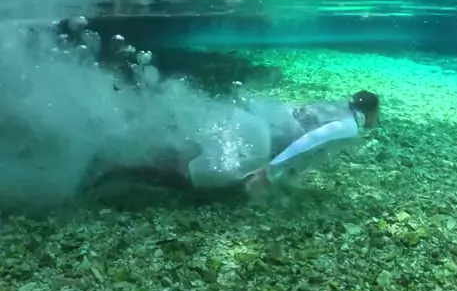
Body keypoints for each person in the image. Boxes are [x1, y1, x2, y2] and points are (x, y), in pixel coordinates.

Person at [86, 88, 380, 198]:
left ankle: (119, 151)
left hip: (250, 121)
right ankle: (115, 169)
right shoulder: (349, 126)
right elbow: (309, 140)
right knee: (189, 177)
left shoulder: (337, 106)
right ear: (369, 112)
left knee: (188, 149)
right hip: (256, 141)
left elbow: (296, 117)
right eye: (377, 114)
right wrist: (269, 169)